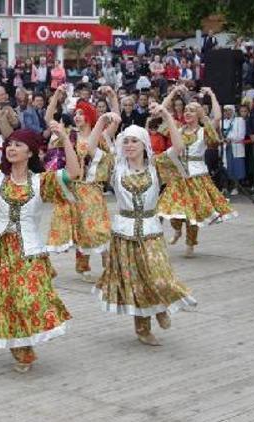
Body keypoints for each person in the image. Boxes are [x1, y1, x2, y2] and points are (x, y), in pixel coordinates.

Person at [0, 121, 81, 373]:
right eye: (9, 144)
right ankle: (20, 347)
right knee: (7, 300)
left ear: (31, 152)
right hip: (1, 250)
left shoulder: (41, 182)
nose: (11, 148)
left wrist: (65, 138)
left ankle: (25, 340)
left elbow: (74, 173)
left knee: (29, 298)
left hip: (30, 251)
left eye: (18, 145)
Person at [90, 105, 197, 345]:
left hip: (150, 230)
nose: (128, 145)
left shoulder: (156, 166)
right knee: (135, 282)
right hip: (124, 232)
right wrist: (101, 122)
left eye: (134, 142)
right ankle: (143, 329)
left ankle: (161, 308)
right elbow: (90, 148)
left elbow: (179, 149)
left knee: (159, 277)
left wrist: (167, 116)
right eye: (125, 141)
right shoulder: (116, 168)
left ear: (143, 145)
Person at [158, 85, 237, 257]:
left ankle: (190, 243)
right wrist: (173, 92)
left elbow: (217, 117)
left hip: (196, 175)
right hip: (179, 174)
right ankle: (177, 230)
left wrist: (212, 94)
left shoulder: (203, 131)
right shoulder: (177, 129)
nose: (187, 113)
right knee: (171, 211)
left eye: (192, 111)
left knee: (192, 214)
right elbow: (161, 112)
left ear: (199, 114)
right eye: (186, 110)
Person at [45, 87, 113, 281]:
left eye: (82, 113)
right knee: (81, 228)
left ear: (90, 116)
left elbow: (114, 122)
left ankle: (108, 262)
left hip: (93, 189)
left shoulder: (99, 138)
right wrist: (56, 97)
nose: (77, 116)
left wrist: (113, 98)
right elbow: (49, 119)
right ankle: (82, 267)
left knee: (99, 227)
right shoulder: (69, 135)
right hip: (74, 189)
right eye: (75, 113)